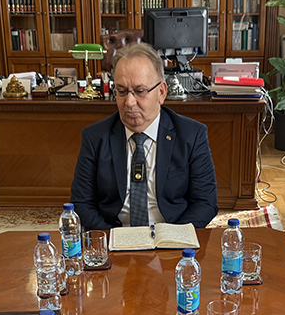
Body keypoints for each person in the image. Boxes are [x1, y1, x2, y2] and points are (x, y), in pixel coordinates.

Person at [70, 42, 218, 230]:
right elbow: (81, 203)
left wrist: (175, 237)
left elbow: (205, 202)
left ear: (161, 92)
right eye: (121, 91)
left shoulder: (191, 135)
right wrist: (112, 238)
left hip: (171, 235)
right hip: (115, 235)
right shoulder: (95, 137)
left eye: (140, 91)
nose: (129, 102)